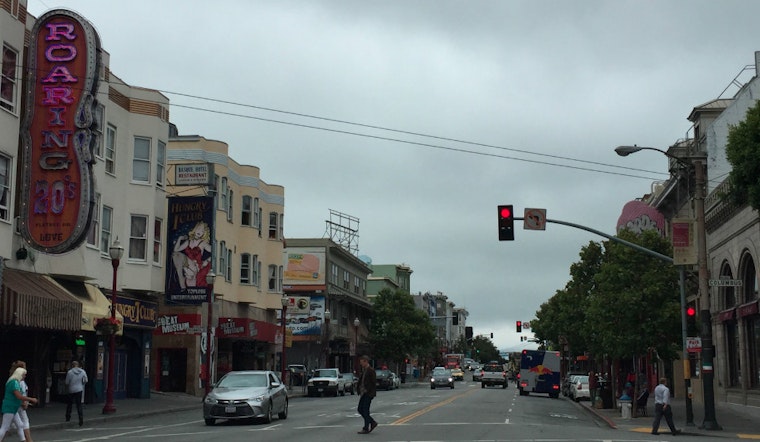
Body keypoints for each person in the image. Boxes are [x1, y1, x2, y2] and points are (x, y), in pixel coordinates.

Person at [0, 367, 38, 441]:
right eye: (24, 375)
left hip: (13, 407)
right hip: (10, 407)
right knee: (5, 427)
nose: (24, 376)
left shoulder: (14, 382)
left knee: (20, 425)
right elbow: (19, 396)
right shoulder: (14, 382)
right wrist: (31, 399)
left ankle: (23, 440)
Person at [9, 361, 33, 442]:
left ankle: (25, 440)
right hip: (19, 404)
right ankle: (28, 440)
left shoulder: (12, 379)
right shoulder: (21, 381)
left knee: (14, 424)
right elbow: (22, 393)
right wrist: (24, 402)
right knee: (24, 422)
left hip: (13, 404)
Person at [356, 355, 377, 434]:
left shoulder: (371, 370)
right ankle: (372, 422)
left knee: (365, 410)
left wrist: (369, 391)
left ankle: (366, 428)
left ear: (366, 361)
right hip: (363, 393)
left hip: (368, 393)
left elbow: (373, 382)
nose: (361, 364)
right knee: (360, 409)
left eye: (361, 362)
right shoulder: (364, 370)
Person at [64, 361, 88, 427]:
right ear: (78, 365)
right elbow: (86, 380)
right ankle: (81, 419)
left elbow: (67, 382)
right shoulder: (83, 372)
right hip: (79, 389)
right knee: (79, 405)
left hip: (71, 389)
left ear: (72, 365)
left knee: (69, 404)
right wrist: (81, 384)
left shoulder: (70, 372)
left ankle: (68, 417)